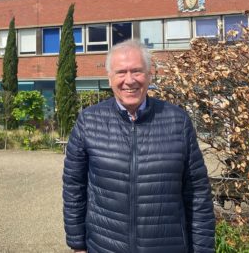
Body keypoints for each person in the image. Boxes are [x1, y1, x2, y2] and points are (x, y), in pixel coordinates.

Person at [63, 39, 215, 253]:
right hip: (105, 246)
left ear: (149, 74)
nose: (129, 80)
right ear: (109, 78)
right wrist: (77, 244)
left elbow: (197, 193)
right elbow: (74, 187)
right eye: (121, 72)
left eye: (137, 71)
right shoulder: (89, 121)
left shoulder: (177, 121)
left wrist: (203, 249)